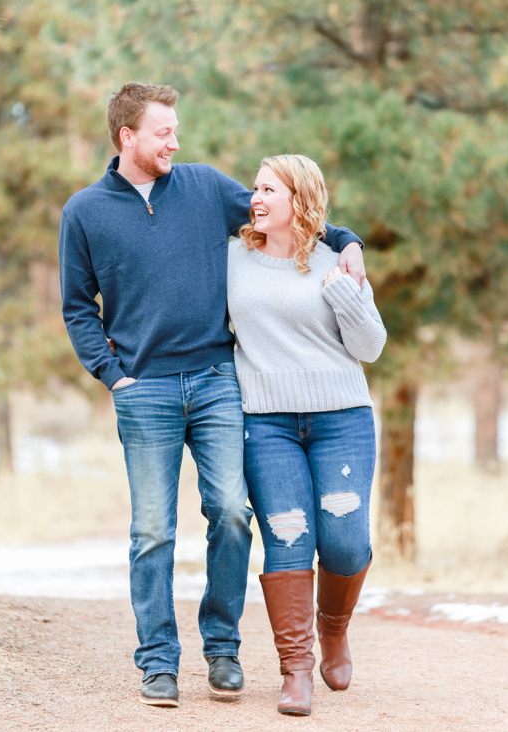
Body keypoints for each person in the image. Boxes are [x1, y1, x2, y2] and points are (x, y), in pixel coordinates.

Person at [58, 83, 366, 709]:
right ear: (127, 137)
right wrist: (111, 373)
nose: (175, 141)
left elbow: (288, 212)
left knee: (230, 512)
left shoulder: (202, 187)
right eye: (163, 132)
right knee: (151, 530)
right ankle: (158, 662)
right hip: (142, 389)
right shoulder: (84, 211)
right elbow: (76, 307)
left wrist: (349, 240)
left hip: (218, 380)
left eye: (175, 129)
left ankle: (221, 649)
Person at [227, 154, 386, 717]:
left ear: (301, 200)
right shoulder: (232, 258)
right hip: (266, 423)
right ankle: (296, 670)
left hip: (340, 417)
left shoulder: (335, 261)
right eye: (255, 188)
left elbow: (369, 348)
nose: (256, 198)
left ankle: (335, 629)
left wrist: (343, 288)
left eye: (270, 189)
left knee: (344, 537)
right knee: (288, 536)